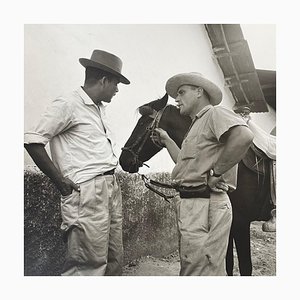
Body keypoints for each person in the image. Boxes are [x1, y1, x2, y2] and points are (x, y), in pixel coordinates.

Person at [24, 49, 130, 276]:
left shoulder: (99, 108)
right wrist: (60, 181)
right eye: (116, 84)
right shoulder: (68, 103)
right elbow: (33, 141)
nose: (117, 90)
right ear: (104, 80)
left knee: (113, 260)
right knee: (86, 266)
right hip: (87, 192)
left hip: (110, 188)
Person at [154, 72, 254, 276]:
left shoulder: (214, 114)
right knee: (196, 269)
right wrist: (166, 140)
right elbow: (183, 162)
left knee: (200, 272)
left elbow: (244, 135)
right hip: (195, 205)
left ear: (199, 92)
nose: (177, 99)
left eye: (182, 92)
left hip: (205, 204)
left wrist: (217, 172)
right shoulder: (197, 123)